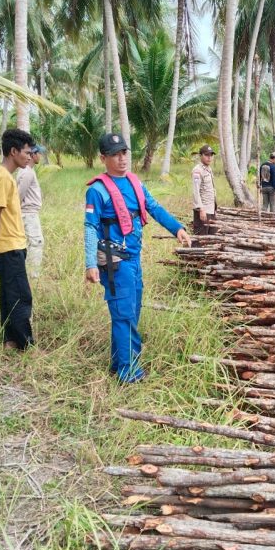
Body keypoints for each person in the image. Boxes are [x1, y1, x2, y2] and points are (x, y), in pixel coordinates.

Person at [84, 132, 192, 383]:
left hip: (134, 259)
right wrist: (90, 263)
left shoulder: (135, 183)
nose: (121, 159)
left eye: (124, 153)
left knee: (132, 311)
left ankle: (118, 362)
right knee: (123, 314)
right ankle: (128, 371)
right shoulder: (98, 191)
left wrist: (177, 228)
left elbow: (154, 208)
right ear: (103, 158)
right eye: (114, 155)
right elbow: (90, 227)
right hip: (114, 261)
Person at [0, 128, 35, 351]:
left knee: (9, 296)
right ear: (13, 151)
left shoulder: (1, 176)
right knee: (21, 297)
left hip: (9, 246)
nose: (29, 157)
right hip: (9, 247)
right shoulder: (3, 179)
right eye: (26, 152)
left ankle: (10, 342)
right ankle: (26, 345)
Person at [17, 144, 45, 277]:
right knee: (36, 242)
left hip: (30, 212)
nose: (40, 156)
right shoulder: (27, 172)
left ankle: (28, 272)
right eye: (38, 153)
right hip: (28, 213)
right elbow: (19, 194)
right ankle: (32, 274)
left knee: (31, 243)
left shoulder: (28, 171)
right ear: (33, 155)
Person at [191, 144, 217, 235]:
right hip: (203, 210)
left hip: (211, 209)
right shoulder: (197, 171)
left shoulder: (208, 169)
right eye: (206, 155)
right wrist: (201, 209)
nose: (209, 158)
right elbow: (196, 191)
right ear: (200, 155)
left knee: (211, 237)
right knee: (200, 239)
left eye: (211, 155)